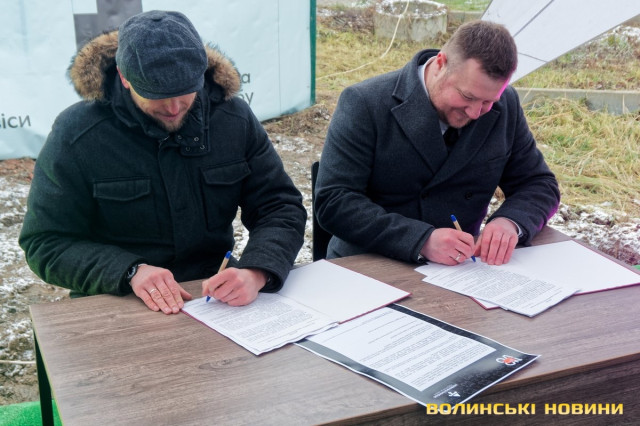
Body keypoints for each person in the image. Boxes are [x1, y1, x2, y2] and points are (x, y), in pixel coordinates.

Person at [19, 10, 306, 314]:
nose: (173, 108)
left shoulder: (233, 119)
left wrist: (257, 269)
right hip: (117, 299)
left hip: (214, 295)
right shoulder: (78, 134)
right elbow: (45, 242)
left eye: (185, 93)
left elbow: (279, 206)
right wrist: (130, 271)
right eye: (156, 94)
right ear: (124, 77)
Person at [314, 20, 560, 267]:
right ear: (440, 64)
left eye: (488, 102)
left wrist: (510, 222)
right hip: (370, 264)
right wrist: (421, 240)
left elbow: (539, 184)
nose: (475, 112)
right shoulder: (365, 102)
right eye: (467, 96)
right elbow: (334, 201)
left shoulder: (506, 104)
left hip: (461, 268)